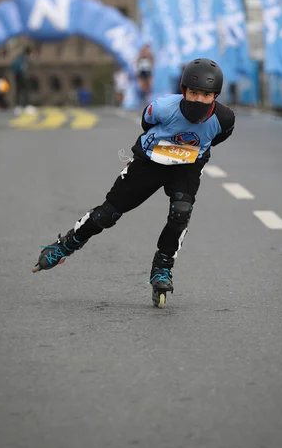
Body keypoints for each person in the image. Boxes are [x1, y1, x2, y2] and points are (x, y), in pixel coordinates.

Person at [33, 58, 235, 307]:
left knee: (181, 214)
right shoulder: (163, 107)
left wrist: (186, 155)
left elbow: (215, 139)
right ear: (183, 91)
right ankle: (68, 243)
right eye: (193, 93)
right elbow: (146, 123)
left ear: (215, 96)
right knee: (108, 214)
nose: (198, 100)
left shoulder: (224, 120)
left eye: (206, 95)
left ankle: (162, 267)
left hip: (187, 166)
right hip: (149, 161)